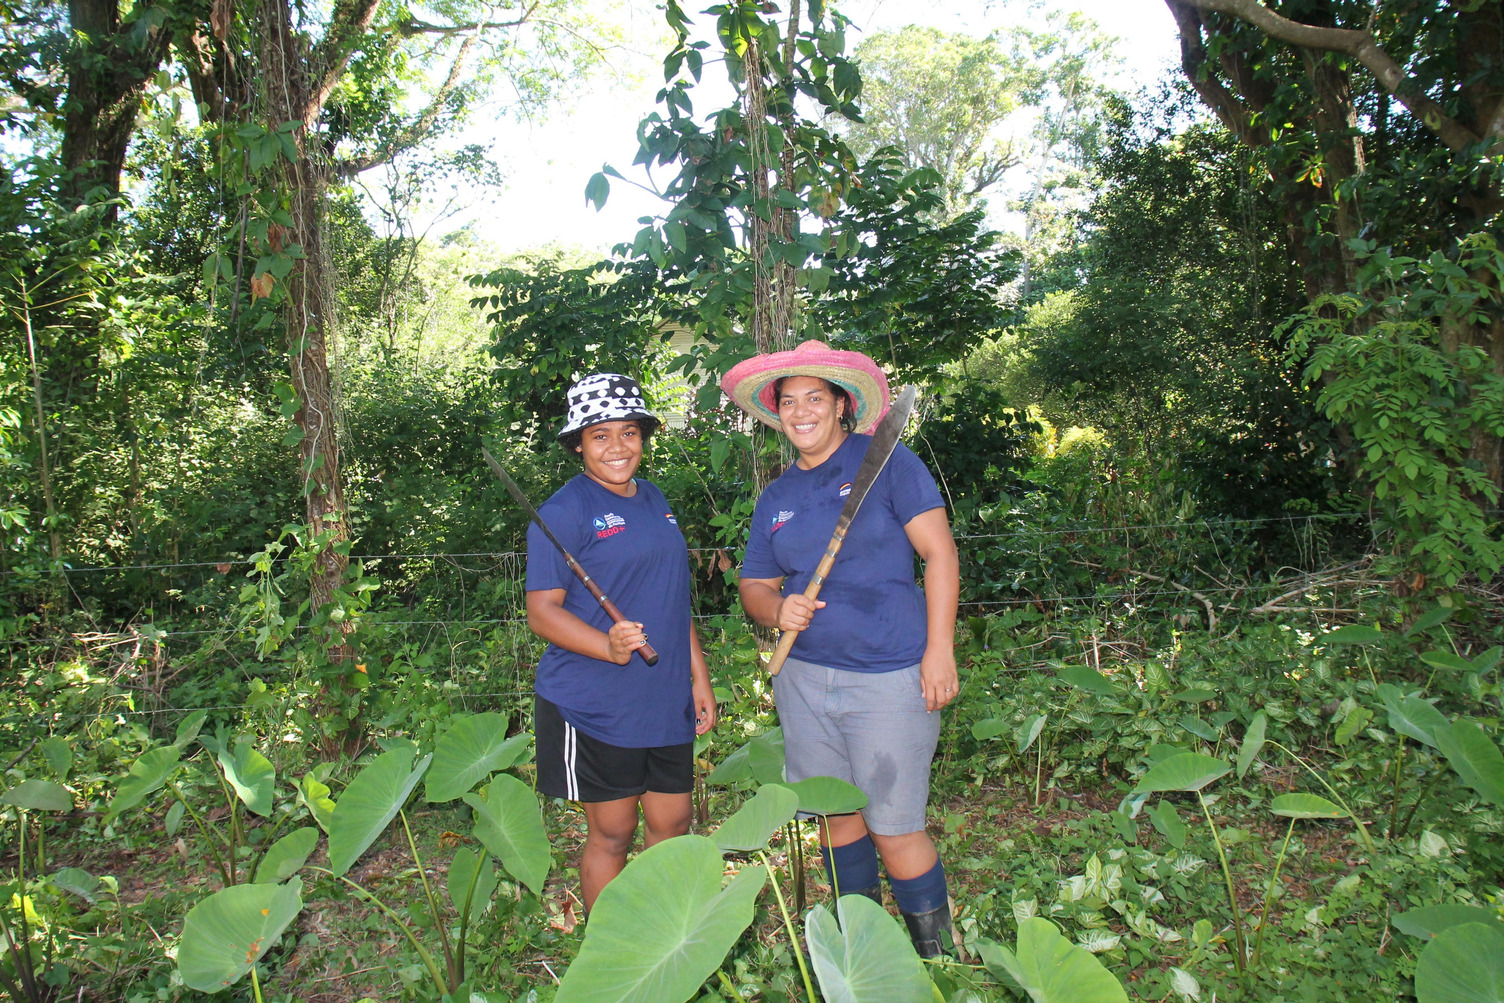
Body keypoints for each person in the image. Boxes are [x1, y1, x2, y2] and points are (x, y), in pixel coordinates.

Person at [721, 340, 961, 957]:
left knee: (895, 824)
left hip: (889, 676)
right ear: (776, 413)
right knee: (834, 816)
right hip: (802, 679)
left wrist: (940, 650)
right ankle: (862, 947)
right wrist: (777, 609)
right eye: (789, 402)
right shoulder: (776, 498)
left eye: (814, 400)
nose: (802, 412)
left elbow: (939, 555)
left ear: (840, 406)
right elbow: (754, 584)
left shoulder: (887, 464)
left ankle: (937, 963)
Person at [523, 373, 717, 914]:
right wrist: (605, 645)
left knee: (673, 824)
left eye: (628, 433)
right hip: (596, 700)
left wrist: (698, 678)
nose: (617, 447)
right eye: (600, 435)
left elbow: (672, 600)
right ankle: (610, 951)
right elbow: (543, 612)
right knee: (614, 831)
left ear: (644, 438)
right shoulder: (562, 512)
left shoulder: (655, 498)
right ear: (578, 444)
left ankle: (660, 938)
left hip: (663, 693)